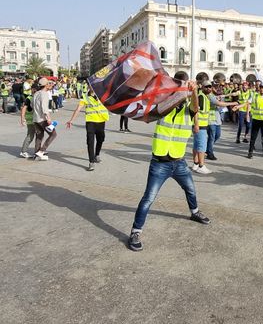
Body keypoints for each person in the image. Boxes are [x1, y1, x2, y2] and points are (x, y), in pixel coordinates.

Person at [128, 78, 210, 252]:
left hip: (179, 162)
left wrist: (194, 90)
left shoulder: (189, 111)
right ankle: (135, 231)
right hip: (160, 163)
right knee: (148, 198)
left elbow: (195, 107)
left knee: (191, 189)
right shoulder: (164, 108)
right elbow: (154, 105)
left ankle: (194, 212)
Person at [65, 83, 110, 171]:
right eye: (91, 86)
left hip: (101, 121)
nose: (93, 87)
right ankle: (91, 162)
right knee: (90, 142)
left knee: (101, 139)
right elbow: (78, 109)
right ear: (89, 87)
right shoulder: (85, 97)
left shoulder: (102, 95)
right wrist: (71, 120)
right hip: (90, 122)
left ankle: (97, 154)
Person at [204, 80, 238, 161]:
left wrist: (229, 95)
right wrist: (232, 103)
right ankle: (210, 153)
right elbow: (219, 104)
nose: (217, 88)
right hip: (211, 120)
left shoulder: (213, 95)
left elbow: (221, 96)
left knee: (217, 135)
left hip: (217, 119)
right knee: (212, 137)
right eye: (214, 87)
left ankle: (206, 148)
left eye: (217, 86)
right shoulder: (209, 96)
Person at [32, 78, 57, 161]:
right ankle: (42, 151)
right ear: (46, 85)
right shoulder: (44, 94)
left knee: (39, 136)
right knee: (53, 134)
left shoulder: (36, 93)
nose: (50, 85)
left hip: (35, 118)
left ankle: (36, 154)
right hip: (43, 119)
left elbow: (32, 106)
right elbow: (44, 108)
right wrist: (48, 119)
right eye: (49, 83)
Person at [19, 85, 37, 158]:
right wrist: (22, 119)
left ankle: (39, 150)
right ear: (32, 89)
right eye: (34, 89)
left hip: (35, 119)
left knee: (37, 135)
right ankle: (23, 151)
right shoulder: (29, 98)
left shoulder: (34, 97)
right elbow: (23, 108)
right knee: (30, 135)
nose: (35, 91)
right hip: (31, 120)